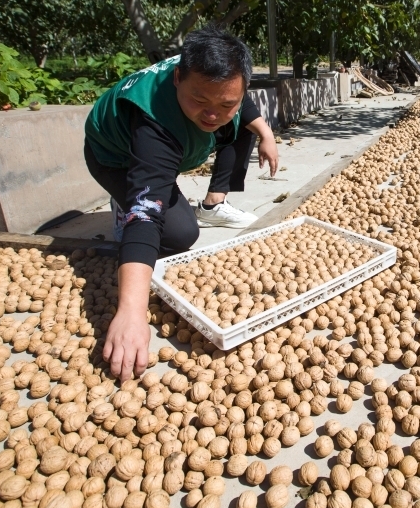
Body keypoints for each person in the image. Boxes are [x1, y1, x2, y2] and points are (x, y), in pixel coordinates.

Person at [84, 24, 278, 381]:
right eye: (199, 100)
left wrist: (266, 134)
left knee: (240, 130)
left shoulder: (221, 80)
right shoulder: (153, 124)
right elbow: (146, 216)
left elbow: (237, 102)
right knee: (177, 234)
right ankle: (124, 198)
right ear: (177, 79)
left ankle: (212, 202)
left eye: (226, 103)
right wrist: (131, 311)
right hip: (115, 155)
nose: (212, 113)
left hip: (163, 149)